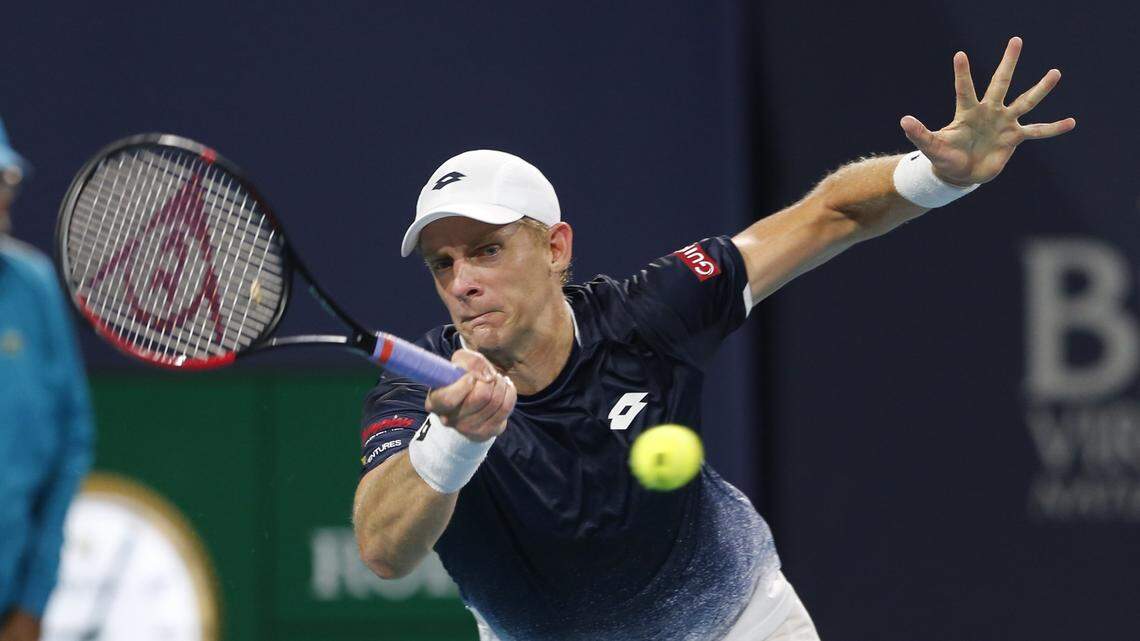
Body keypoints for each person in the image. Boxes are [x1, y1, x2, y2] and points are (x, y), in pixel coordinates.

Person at [352, 38, 1074, 640]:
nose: (462, 281)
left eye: (485, 250)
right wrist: (455, 441)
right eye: (442, 263)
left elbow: (829, 216)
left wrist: (937, 176)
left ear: (556, 248)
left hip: (737, 622)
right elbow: (383, 550)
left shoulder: (650, 313)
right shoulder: (426, 393)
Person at [0, 116, 95, 641]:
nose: (4, 196)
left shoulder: (34, 287)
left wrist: (33, 602)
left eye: (6, 180)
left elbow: (70, 444)